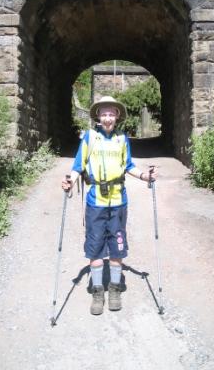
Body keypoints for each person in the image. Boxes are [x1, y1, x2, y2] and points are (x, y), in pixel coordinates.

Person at [62, 96, 157, 315]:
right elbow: (78, 165)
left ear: (117, 116)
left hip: (118, 201)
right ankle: (97, 291)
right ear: (98, 116)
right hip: (96, 201)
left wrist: (145, 177)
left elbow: (129, 165)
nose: (107, 118)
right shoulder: (89, 137)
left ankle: (114, 289)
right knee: (94, 248)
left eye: (111, 114)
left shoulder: (122, 139)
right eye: (103, 114)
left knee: (117, 246)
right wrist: (69, 181)